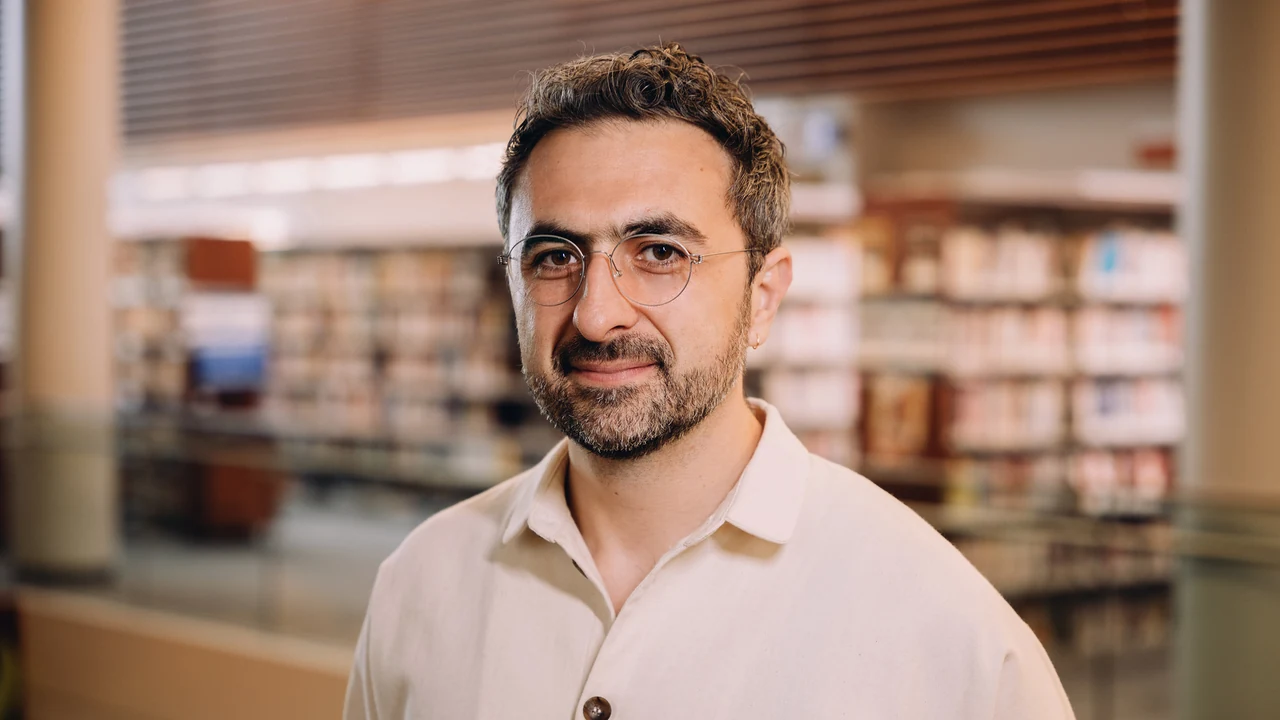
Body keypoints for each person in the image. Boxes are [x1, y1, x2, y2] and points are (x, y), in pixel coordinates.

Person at [345, 42, 1075, 719]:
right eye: (554, 257)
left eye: (659, 252)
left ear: (763, 295)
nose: (597, 315)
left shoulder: (949, 635)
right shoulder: (423, 584)